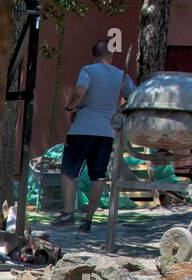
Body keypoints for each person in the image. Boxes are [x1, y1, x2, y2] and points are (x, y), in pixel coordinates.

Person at [53, 41, 135, 232]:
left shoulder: (88, 70)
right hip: (106, 132)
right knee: (98, 176)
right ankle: (88, 220)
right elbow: (135, 96)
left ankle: (68, 213)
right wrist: (118, 111)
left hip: (82, 128)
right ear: (110, 55)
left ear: (94, 55)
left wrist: (70, 107)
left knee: (69, 171)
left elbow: (80, 91)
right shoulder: (121, 75)